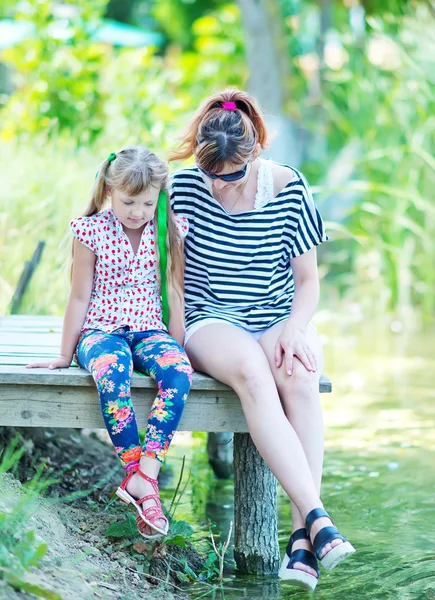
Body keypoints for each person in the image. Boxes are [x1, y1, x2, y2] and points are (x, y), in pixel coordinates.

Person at [169, 90, 355, 590]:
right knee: (253, 371)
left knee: (299, 373)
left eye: (230, 175)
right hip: (212, 320)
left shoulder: (289, 188)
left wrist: (295, 328)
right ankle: (319, 518)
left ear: (254, 156)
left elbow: (308, 281)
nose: (219, 185)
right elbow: (177, 280)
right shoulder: (184, 190)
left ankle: (300, 541)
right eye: (210, 174)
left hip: (276, 315)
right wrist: (172, 340)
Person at [27, 146, 192, 539]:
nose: (138, 211)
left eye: (147, 202)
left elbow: (174, 289)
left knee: (179, 373)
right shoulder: (91, 231)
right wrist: (64, 355)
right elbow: (79, 297)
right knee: (113, 372)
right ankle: (137, 478)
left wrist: (180, 345)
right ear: (109, 191)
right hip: (101, 332)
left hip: (150, 330)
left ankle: (144, 474)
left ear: (160, 196)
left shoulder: (168, 229)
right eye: (128, 201)